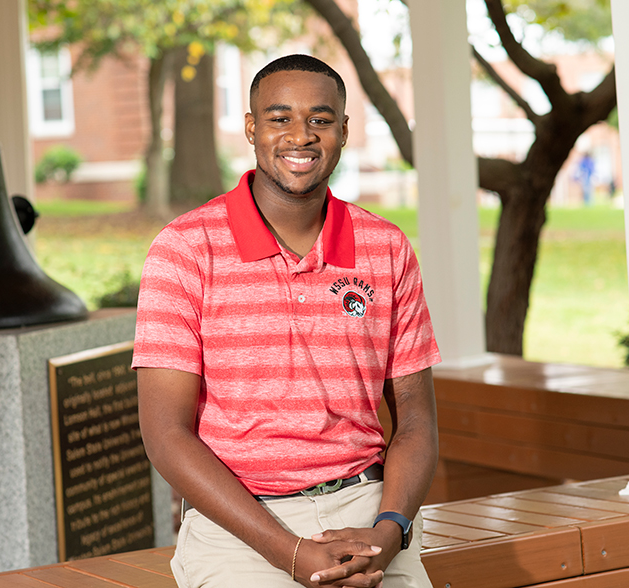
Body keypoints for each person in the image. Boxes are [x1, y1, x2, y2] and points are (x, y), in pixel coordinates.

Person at [133, 54, 441, 588]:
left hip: (367, 512)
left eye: (320, 120)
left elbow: (415, 419)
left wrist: (391, 529)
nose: (301, 136)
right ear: (251, 127)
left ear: (344, 131)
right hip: (241, 525)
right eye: (280, 118)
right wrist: (289, 553)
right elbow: (165, 433)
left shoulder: (385, 248)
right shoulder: (184, 249)